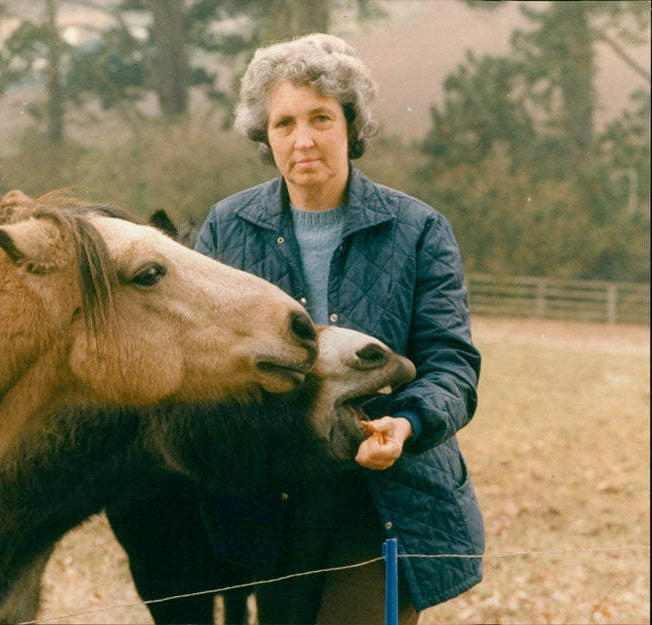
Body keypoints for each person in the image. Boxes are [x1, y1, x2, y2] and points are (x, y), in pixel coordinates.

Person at [192, 33, 485, 625]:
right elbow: (200, 364)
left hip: (385, 495)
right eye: (284, 123)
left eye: (321, 117)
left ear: (351, 124)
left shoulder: (419, 229)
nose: (302, 140)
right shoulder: (226, 228)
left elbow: (452, 364)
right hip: (271, 505)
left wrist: (407, 422)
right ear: (264, 135)